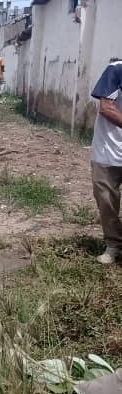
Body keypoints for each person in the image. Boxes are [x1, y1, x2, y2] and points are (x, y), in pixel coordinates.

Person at [90, 57, 122, 264]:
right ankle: (114, 245)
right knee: (106, 201)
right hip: (108, 151)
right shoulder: (116, 69)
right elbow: (106, 108)